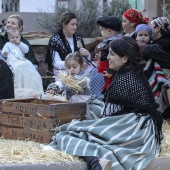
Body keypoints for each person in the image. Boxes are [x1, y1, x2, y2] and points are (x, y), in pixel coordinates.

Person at [45, 37, 162, 170]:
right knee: (81, 130)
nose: (108, 58)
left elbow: (108, 116)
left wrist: (92, 126)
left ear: (124, 59)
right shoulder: (134, 73)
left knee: (69, 132)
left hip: (135, 128)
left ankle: (96, 162)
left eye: (112, 54)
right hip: (147, 129)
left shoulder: (122, 80)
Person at [45, 12, 91, 77]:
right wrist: (74, 64)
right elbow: (56, 63)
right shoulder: (55, 40)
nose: (75, 27)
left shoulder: (78, 38)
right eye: (72, 24)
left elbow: (84, 61)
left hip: (78, 70)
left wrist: (88, 55)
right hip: (63, 71)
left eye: (76, 24)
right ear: (64, 24)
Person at [1, 28, 44, 98]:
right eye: (12, 38)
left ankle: (32, 88)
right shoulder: (8, 44)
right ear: (9, 38)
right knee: (17, 68)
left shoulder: (21, 44)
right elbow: (4, 51)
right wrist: (5, 53)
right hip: (12, 61)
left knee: (28, 65)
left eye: (17, 37)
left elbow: (26, 50)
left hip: (21, 60)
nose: (15, 39)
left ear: (20, 37)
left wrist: (20, 44)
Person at [142, 17, 170, 118]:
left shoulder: (164, 43)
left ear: (158, 29)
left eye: (151, 27)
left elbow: (148, 51)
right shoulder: (158, 43)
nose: (149, 30)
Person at [95, 16, 122, 100]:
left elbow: (110, 59)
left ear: (109, 31)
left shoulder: (113, 43)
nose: (101, 32)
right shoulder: (116, 41)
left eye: (102, 30)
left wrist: (111, 70)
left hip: (110, 72)